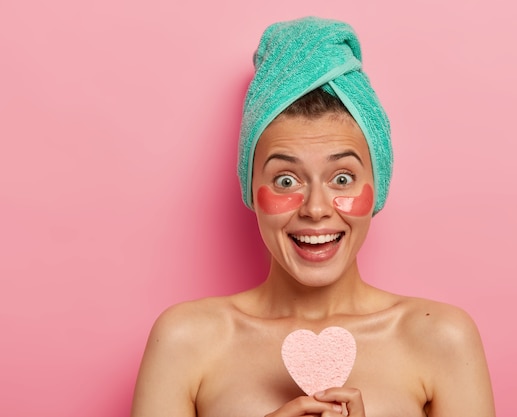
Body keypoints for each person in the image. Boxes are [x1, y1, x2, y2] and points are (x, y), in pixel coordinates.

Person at [130, 17, 495, 417]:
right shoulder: (185, 341)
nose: (316, 208)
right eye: (285, 180)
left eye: (342, 178)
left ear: (380, 185)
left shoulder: (441, 338)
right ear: (250, 188)